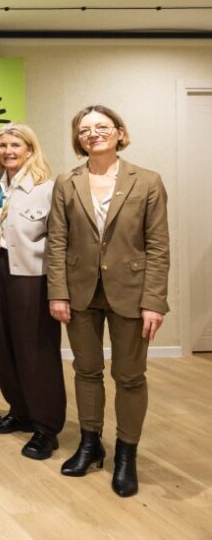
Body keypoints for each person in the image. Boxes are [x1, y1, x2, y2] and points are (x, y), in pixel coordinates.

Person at [47, 105, 169, 497]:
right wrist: (58, 292)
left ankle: (127, 454)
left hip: (131, 294)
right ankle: (90, 443)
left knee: (130, 376)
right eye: (85, 129)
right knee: (86, 371)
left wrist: (154, 301)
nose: (93, 133)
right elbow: (57, 242)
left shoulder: (147, 181)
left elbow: (158, 246)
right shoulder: (67, 182)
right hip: (80, 292)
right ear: (77, 138)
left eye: (102, 127)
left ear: (119, 132)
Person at [0, 123, 65, 460]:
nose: (8, 151)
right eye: (3, 146)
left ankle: (47, 427)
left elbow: (58, 241)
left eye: (15, 145)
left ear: (30, 149)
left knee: (36, 352)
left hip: (32, 277)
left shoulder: (48, 189)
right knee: (4, 346)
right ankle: (21, 411)